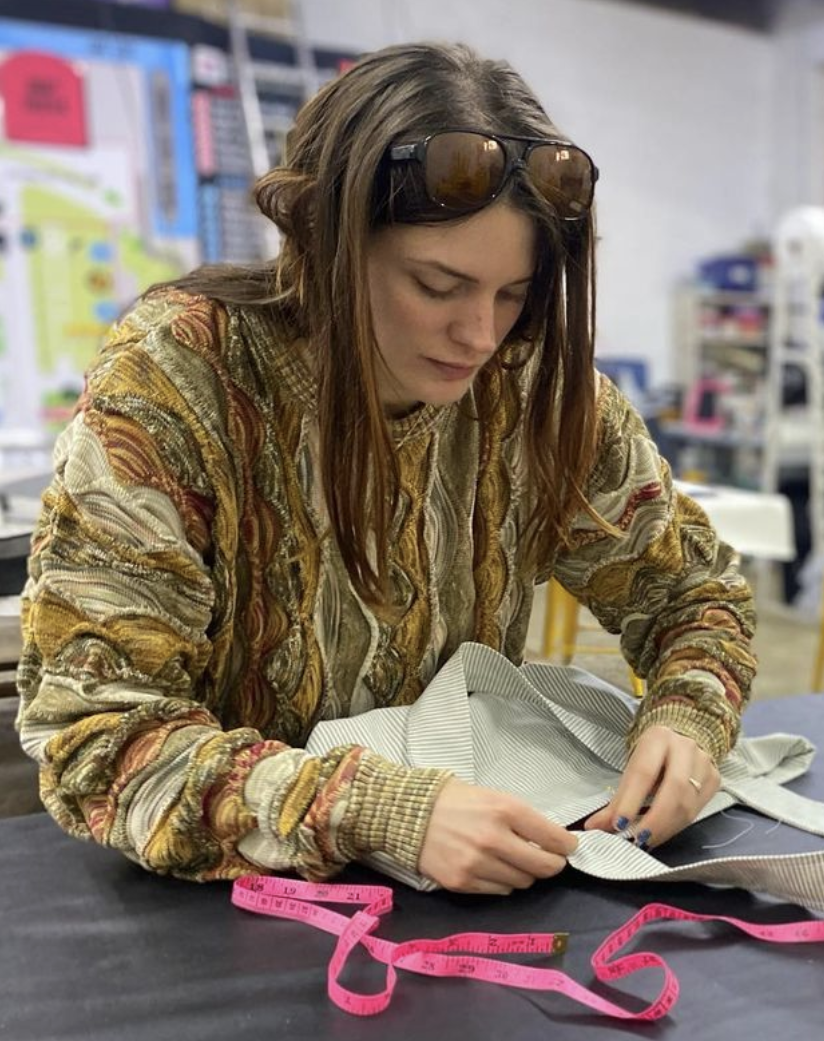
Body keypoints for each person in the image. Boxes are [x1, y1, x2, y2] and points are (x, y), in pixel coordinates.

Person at [15, 43, 756, 895]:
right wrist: (373, 809)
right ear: (321, 239)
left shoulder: (531, 387)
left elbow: (694, 594)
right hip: (225, 919)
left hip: (473, 893)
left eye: (512, 293)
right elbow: (99, 738)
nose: (479, 335)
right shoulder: (180, 379)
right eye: (437, 285)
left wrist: (689, 712)